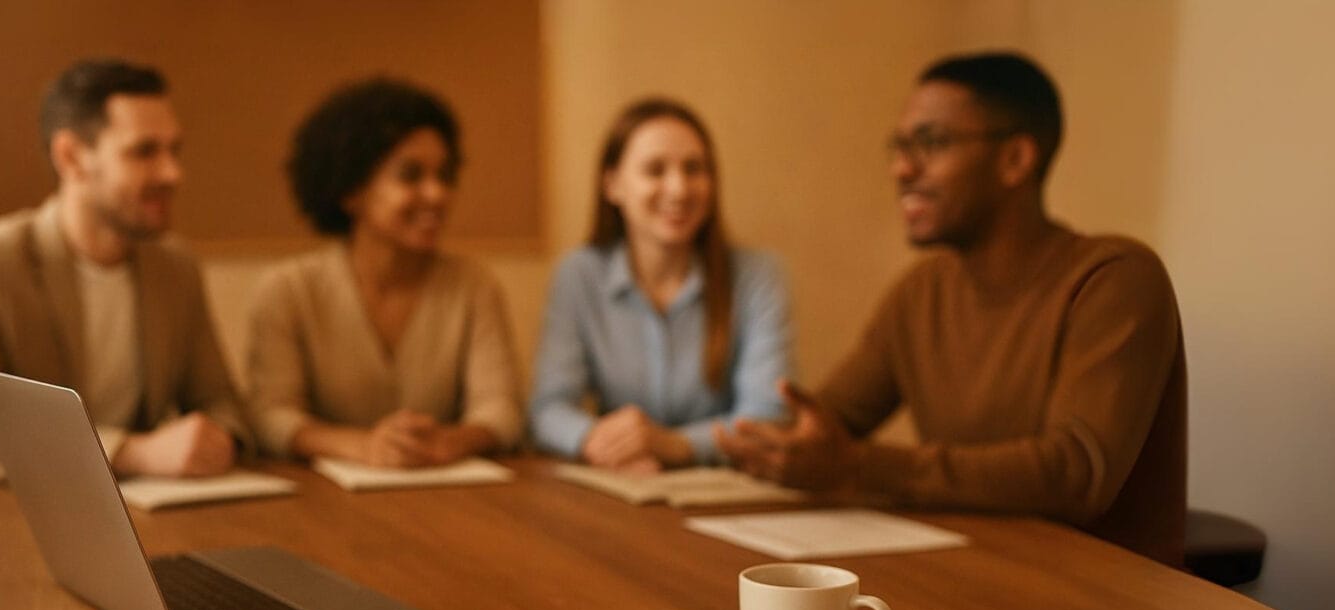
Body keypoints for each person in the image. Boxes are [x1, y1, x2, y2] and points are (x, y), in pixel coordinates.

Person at [717, 52, 1189, 565]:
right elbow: (828, 422)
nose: (902, 168)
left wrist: (858, 466)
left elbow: (1077, 473)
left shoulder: (1114, 278)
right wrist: (777, 447)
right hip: (977, 571)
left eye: (932, 143)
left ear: (1015, 160)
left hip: (1102, 598)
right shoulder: (922, 293)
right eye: (899, 147)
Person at [0, 59, 245, 483]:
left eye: (173, 151)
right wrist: (127, 451)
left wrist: (217, 439)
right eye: (144, 151)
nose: (172, 173)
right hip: (19, 515)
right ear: (71, 157)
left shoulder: (175, 268)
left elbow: (222, 404)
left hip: (150, 514)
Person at [242, 77, 523, 468]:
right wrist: (359, 446)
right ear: (350, 191)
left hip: (450, 500)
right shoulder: (288, 290)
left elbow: (502, 409)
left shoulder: (473, 285)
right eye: (411, 175)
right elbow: (270, 416)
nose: (437, 194)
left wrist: (452, 441)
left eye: (444, 176)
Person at [529, 98, 792, 473]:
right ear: (613, 185)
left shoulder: (758, 275)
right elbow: (547, 408)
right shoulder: (579, 275)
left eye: (694, 169)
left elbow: (768, 417)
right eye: (655, 170)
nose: (679, 189)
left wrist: (675, 445)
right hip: (620, 483)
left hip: (726, 494)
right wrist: (598, 441)